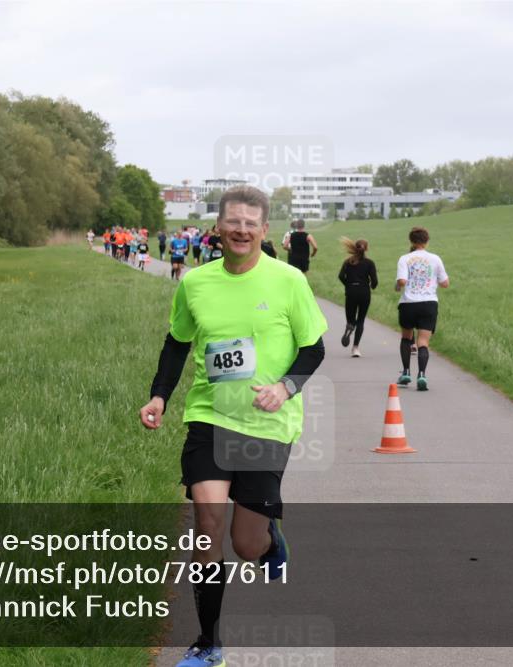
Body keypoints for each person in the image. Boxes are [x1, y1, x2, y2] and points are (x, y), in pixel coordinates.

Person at [140, 186, 327, 667]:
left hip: (267, 423)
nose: (241, 230)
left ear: (264, 230)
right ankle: (209, 644)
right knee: (207, 527)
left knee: (245, 545)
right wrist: (160, 395)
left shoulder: (288, 281)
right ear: (218, 228)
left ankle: (269, 540)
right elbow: (177, 343)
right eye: (233, 222)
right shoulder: (196, 283)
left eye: (250, 223)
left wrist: (285, 387)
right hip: (209, 416)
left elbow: (314, 349)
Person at [395, 227, 449, 391]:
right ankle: (422, 375)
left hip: (408, 303)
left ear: (411, 241)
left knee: (406, 338)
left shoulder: (404, 258)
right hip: (429, 303)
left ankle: (406, 372)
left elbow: (402, 281)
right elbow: (445, 283)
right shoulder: (435, 258)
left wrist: (399, 284)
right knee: (423, 341)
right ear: (427, 241)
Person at [338, 237, 378, 357]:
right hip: (364, 293)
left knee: (351, 320)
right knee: (361, 320)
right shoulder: (370, 263)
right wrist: (371, 286)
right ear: (366, 249)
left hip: (351, 292)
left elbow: (341, 276)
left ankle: (350, 326)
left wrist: (348, 285)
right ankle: (355, 348)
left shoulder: (348, 262)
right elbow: (375, 282)